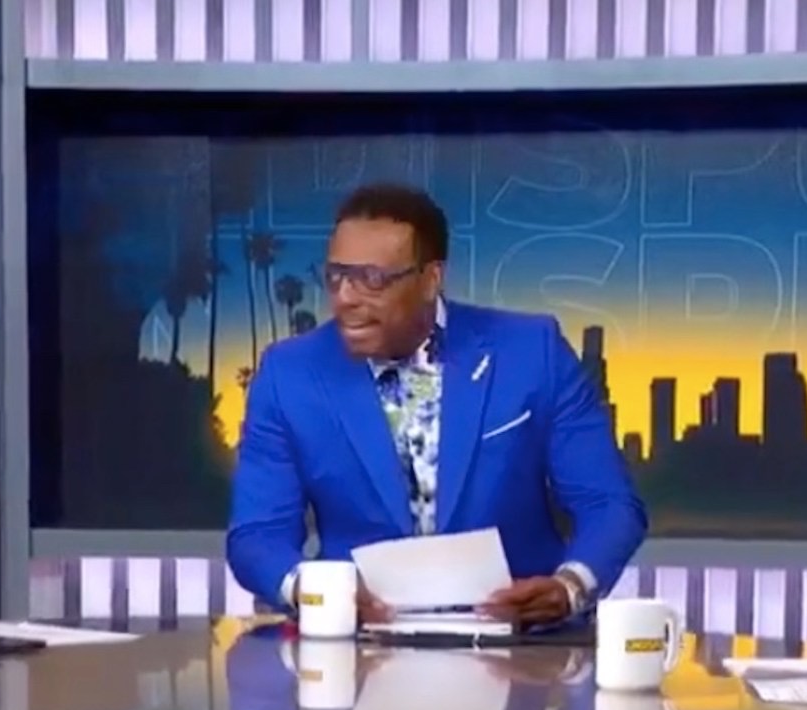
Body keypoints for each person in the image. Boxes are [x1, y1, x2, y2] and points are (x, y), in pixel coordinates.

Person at [226, 183, 646, 626]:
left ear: (430, 280)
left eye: (372, 279)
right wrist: (312, 592)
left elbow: (609, 504)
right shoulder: (289, 374)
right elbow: (257, 535)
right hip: (356, 644)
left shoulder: (532, 351)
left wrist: (571, 586)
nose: (346, 298)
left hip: (523, 639)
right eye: (336, 276)